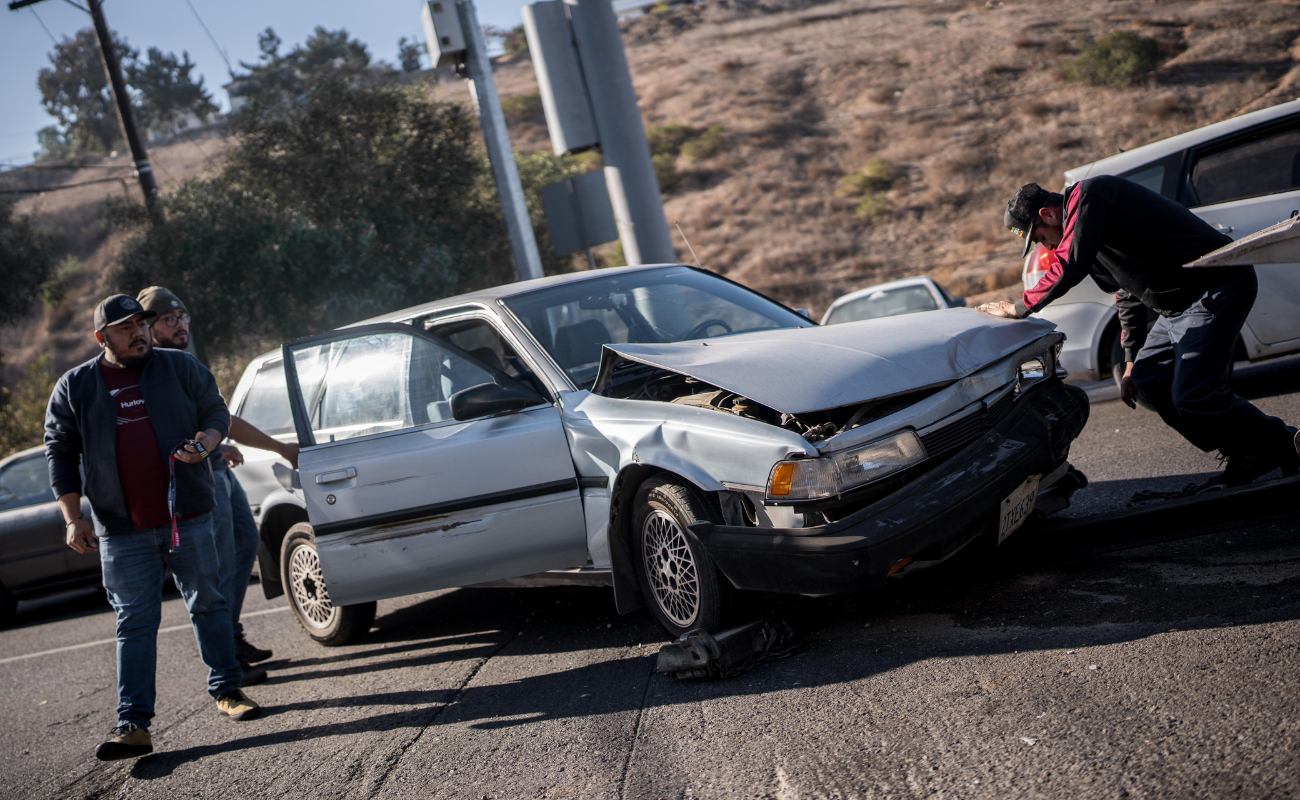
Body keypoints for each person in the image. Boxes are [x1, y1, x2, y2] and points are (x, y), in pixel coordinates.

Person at [45, 294, 261, 763]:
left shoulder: (179, 367)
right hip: (121, 531)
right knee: (135, 623)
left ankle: (228, 691)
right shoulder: (75, 386)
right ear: (103, 338)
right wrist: (71, 517)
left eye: (141, 324)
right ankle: (134, 726)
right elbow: (59, 451)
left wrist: (206, 442)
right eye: (125, 328)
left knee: (210, 603)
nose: (139, 333)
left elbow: (215, 411)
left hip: (189, 515)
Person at [980, 178, 1300, 487]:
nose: (1044, 247)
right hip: (1177, 308)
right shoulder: (1090, 239)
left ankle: (1287, 445)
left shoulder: (1090, 195)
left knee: (1194, 395)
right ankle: (1245, 451)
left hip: (1214, 286)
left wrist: (1019, 307)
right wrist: (1131, 361)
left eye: (1038, 238)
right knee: (1146, 381)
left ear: (1047, 214)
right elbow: (1127, 294)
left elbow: (1069, 263)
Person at [137, 286, 296, 681]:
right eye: (169, 320)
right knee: (221, 560)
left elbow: (216, 415)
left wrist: (219, 444)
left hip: (217, 469)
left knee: (245, 545)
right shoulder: (146, 370)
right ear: (148, 327)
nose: (180, 325)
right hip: (195, 482)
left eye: (183, 317)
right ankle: (226, 658)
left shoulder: (186, 362)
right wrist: (269, 447)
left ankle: (231, 633)